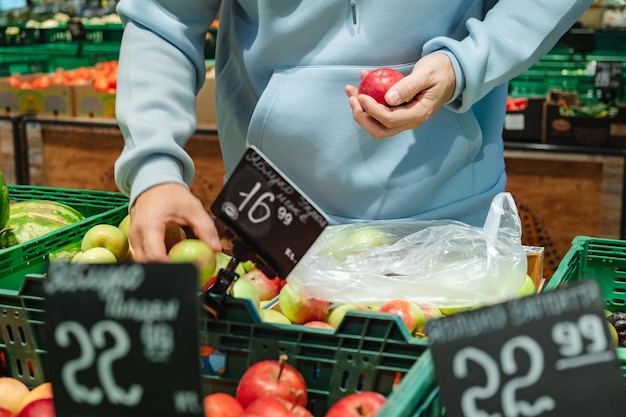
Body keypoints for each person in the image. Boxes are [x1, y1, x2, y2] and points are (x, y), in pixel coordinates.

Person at [113, 0, 593, 263]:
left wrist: (462, 65)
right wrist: (154, 170)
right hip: (273, 216)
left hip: (447, 217)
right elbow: (164, 19)